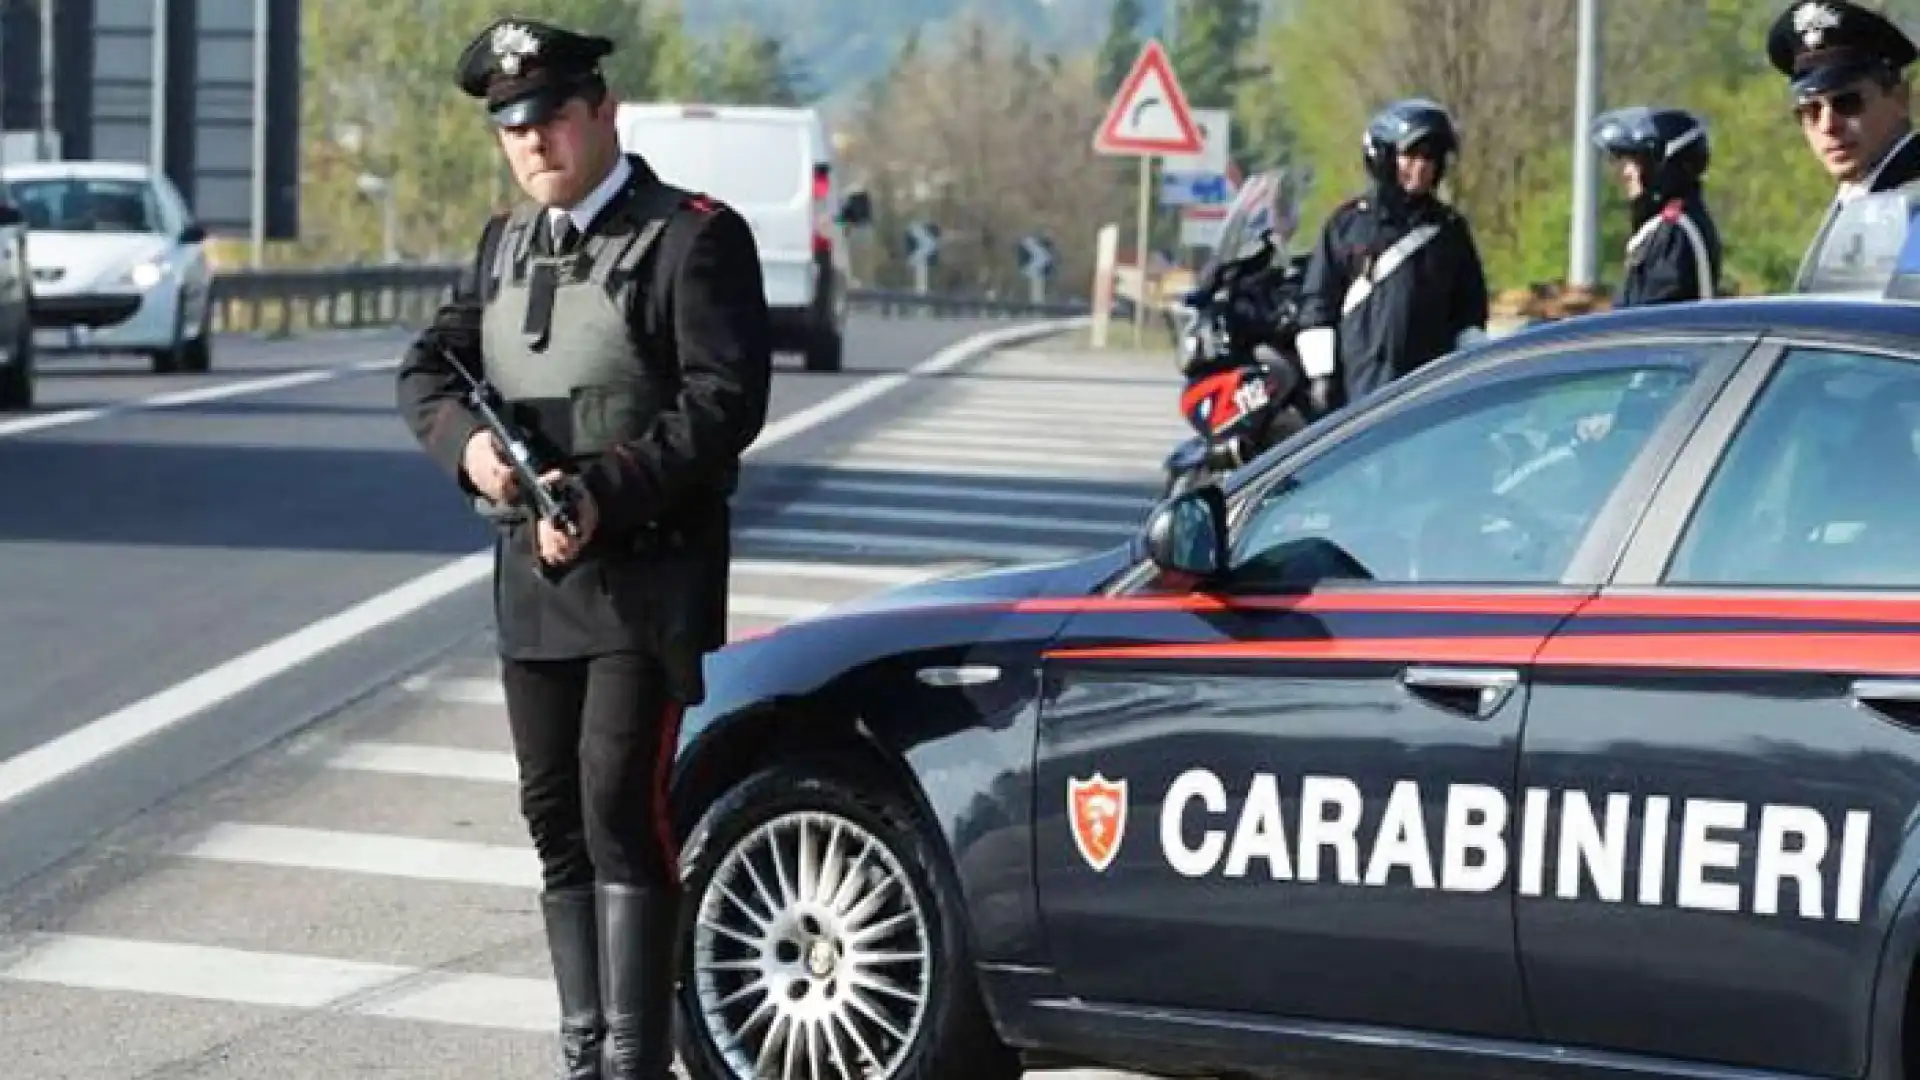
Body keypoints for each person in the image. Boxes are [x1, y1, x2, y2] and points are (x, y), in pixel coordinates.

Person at [393, 16, 772, 1080]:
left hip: (644, 580)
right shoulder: (504, 245)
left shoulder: (693, 238)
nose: (533, 145)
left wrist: (602, 492)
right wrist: (474, 454)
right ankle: (584, 1054)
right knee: (554, 813)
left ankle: (634, 1064)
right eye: (514, 129)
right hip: (533, 577)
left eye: (552, 119)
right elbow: (426, 370)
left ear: (603, 112)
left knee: (619, 807)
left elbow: (721, 407)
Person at [1293, 98, 1490, 417]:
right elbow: (1318, 304)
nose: (1422, 166)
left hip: (1427, 398)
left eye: (1431, 157)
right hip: (1357, 395)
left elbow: (1470, 313)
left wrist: (1469, 374)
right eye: (1410, 155)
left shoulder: (1450, 231)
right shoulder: (1347, 226)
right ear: (1385, 158)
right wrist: (1321, 377)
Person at [1769, 0, 1920, 279]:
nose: (1828, 125)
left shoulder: (1911, 205)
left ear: (1900, 98)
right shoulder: (1859, 197)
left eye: (1847, 103)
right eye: (1811, 111)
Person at [1590, 106, 1722, 306]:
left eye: (1636, 161)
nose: (1626, 173)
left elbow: (1651, 320)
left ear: (1664, 166)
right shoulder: (1665, 229)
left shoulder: (1675, 233)